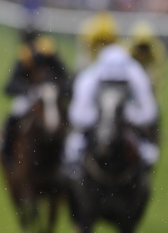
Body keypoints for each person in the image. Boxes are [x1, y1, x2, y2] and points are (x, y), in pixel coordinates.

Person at [64, 12, 160, 175]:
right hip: (98, 116)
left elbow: (149, 111)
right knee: (74, 147)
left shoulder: (136, 75)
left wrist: (126, 117)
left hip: (126, 118)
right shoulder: (89, 78)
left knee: (149, 153)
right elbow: (78, 115)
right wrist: (101, 118)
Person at [0, 33, 72, 166]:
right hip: (29, 97)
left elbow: (67, 81)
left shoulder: (50, 55)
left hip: (52, 96)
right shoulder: (26, 57)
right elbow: (10, 85)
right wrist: (28, 90)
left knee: (70, 120)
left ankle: (70, 158)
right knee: (14, 116)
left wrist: (56, 89)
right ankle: (8, 154)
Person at [127, 20, 167, 93]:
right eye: (141, 47)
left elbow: (156, 70)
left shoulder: (156, 50)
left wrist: (152, 84)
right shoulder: (129, 50)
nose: (142, 52)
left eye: (145, 48)